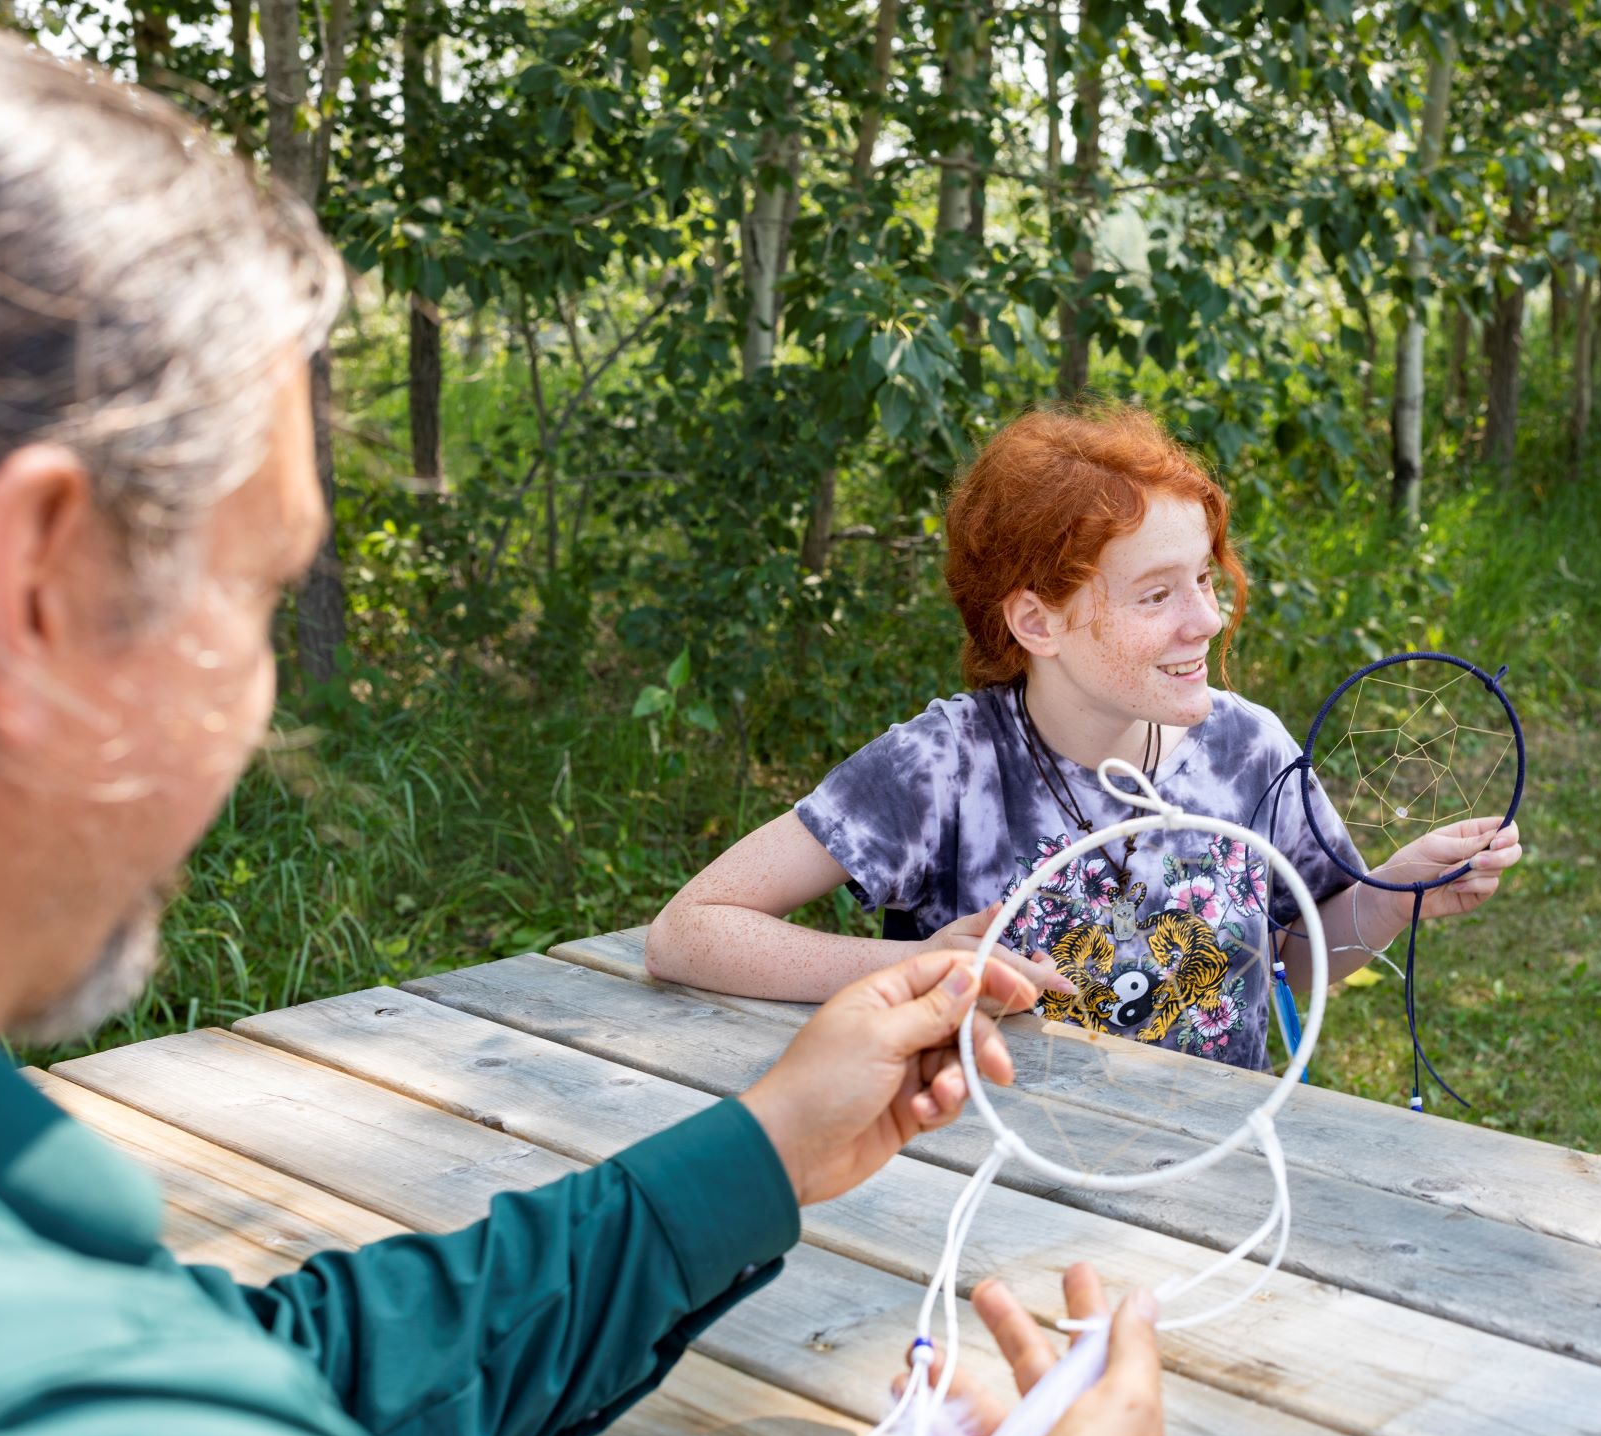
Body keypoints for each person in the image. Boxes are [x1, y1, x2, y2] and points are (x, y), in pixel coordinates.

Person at [0, 9, 1169, 1436]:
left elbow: (264, 1374)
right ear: (37, 590)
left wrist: (757, 1155)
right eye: (256, 591)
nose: (262, 705)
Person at [647, 406, 1523, 1071]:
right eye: (1156, 596)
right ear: (1037, 620)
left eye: (1204, 581)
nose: (1205, 621)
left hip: (1217, 1177)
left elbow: (1295, 958)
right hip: (996, 1182)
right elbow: (688, 932)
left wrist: (1395, 891)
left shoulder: (1247, 748)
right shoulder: (944, 768)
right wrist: (911, 964)